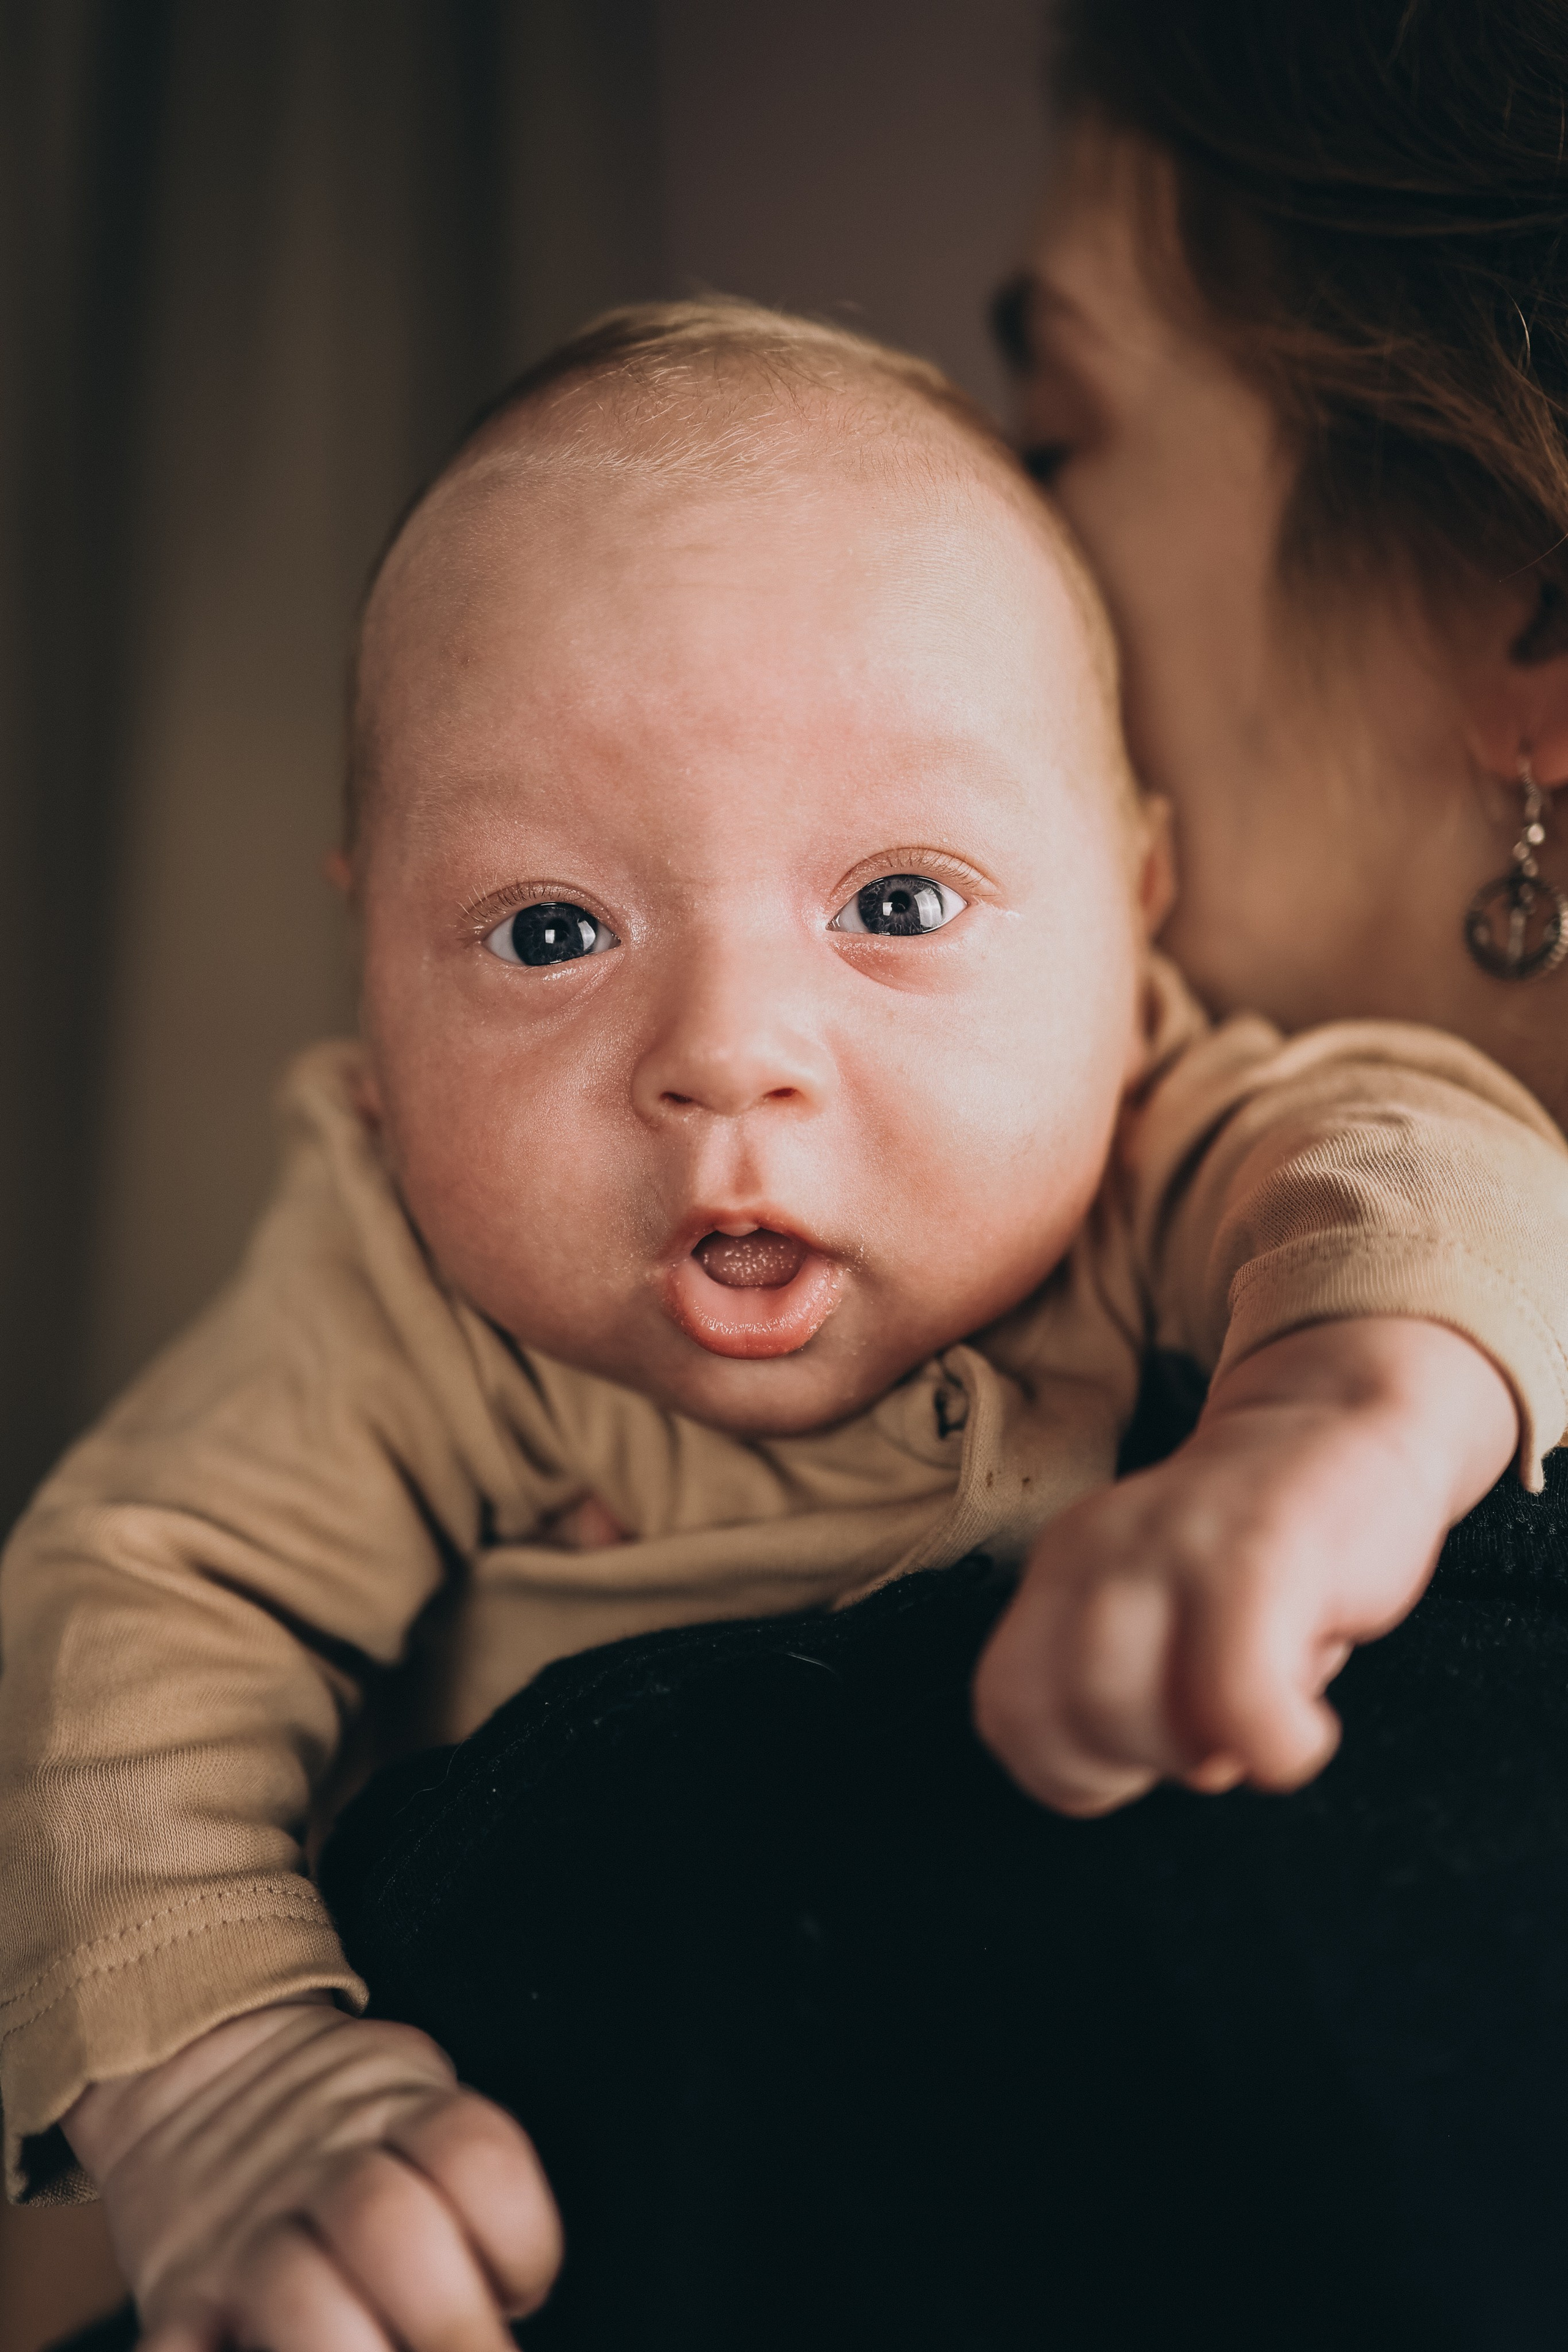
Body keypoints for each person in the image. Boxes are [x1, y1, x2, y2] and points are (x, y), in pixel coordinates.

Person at [4, 297, 1565, 2352]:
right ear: (372, 981)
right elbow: (129, 1607)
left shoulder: (1140, 1141)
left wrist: (1330, 1419)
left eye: (900, 905)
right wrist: (217, 2081)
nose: (728, 1056)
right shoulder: (401, 1279)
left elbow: (1429, 1163)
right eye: (551, 932)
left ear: (1133, 909)